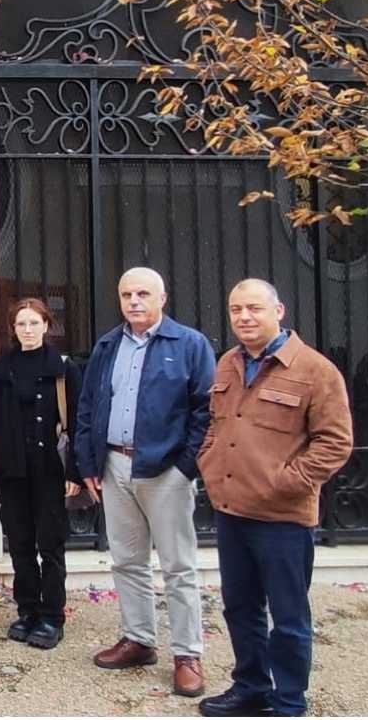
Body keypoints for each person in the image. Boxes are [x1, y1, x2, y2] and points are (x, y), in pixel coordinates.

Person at [195, 279, 352, 718]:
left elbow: (335, 443)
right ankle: (251, 687)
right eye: (235, 309)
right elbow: (217, 424)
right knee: (240, 608)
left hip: (282, 518)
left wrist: (283, 481)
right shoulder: (228, 363)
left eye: (253, 308)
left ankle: (288, 701)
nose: (244, 317)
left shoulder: (315, 371)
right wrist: (209, 461)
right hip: (232, 511)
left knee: (288, 618)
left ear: (278, 310)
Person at [73, 267, 215, 697]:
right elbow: (88, 406)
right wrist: (88, 463)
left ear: (162, 297)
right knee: (127, 560)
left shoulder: (189, 344)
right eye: (126, 294)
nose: (134, 301)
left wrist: (186, 467)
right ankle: (138, 639)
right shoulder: (107, 345)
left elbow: (206, 411)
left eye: (142, 294)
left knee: (178, 566)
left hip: (166, 470)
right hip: (115, 466)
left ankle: (187, 654)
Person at [0, 298, 84, 650]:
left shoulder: (63, 368)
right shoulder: (1, 368)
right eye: (20, 324)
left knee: (51, 545)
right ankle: (27, 610)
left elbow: (77, 422)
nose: (27, 330)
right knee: (21, 545)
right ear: (13, 329)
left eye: (33, 323)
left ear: (46, 325)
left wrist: (76, 470)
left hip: (50, 472)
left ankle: (52, 616)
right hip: (12, 471)